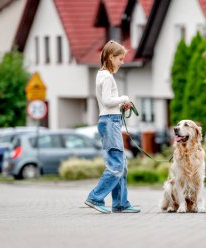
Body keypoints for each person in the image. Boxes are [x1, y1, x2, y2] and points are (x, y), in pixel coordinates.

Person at [84, 40, 140, 214]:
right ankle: (95, 197)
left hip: (109, 119)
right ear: (110, 56)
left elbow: (106, 102)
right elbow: (108, 101)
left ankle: (121, 203)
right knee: (116, 166)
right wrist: (124, 98)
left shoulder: (101, 75)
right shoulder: (107, 77)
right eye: (120, 58)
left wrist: (120, 106)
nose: (122, 62)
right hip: (110, 121)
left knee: (121, 166)